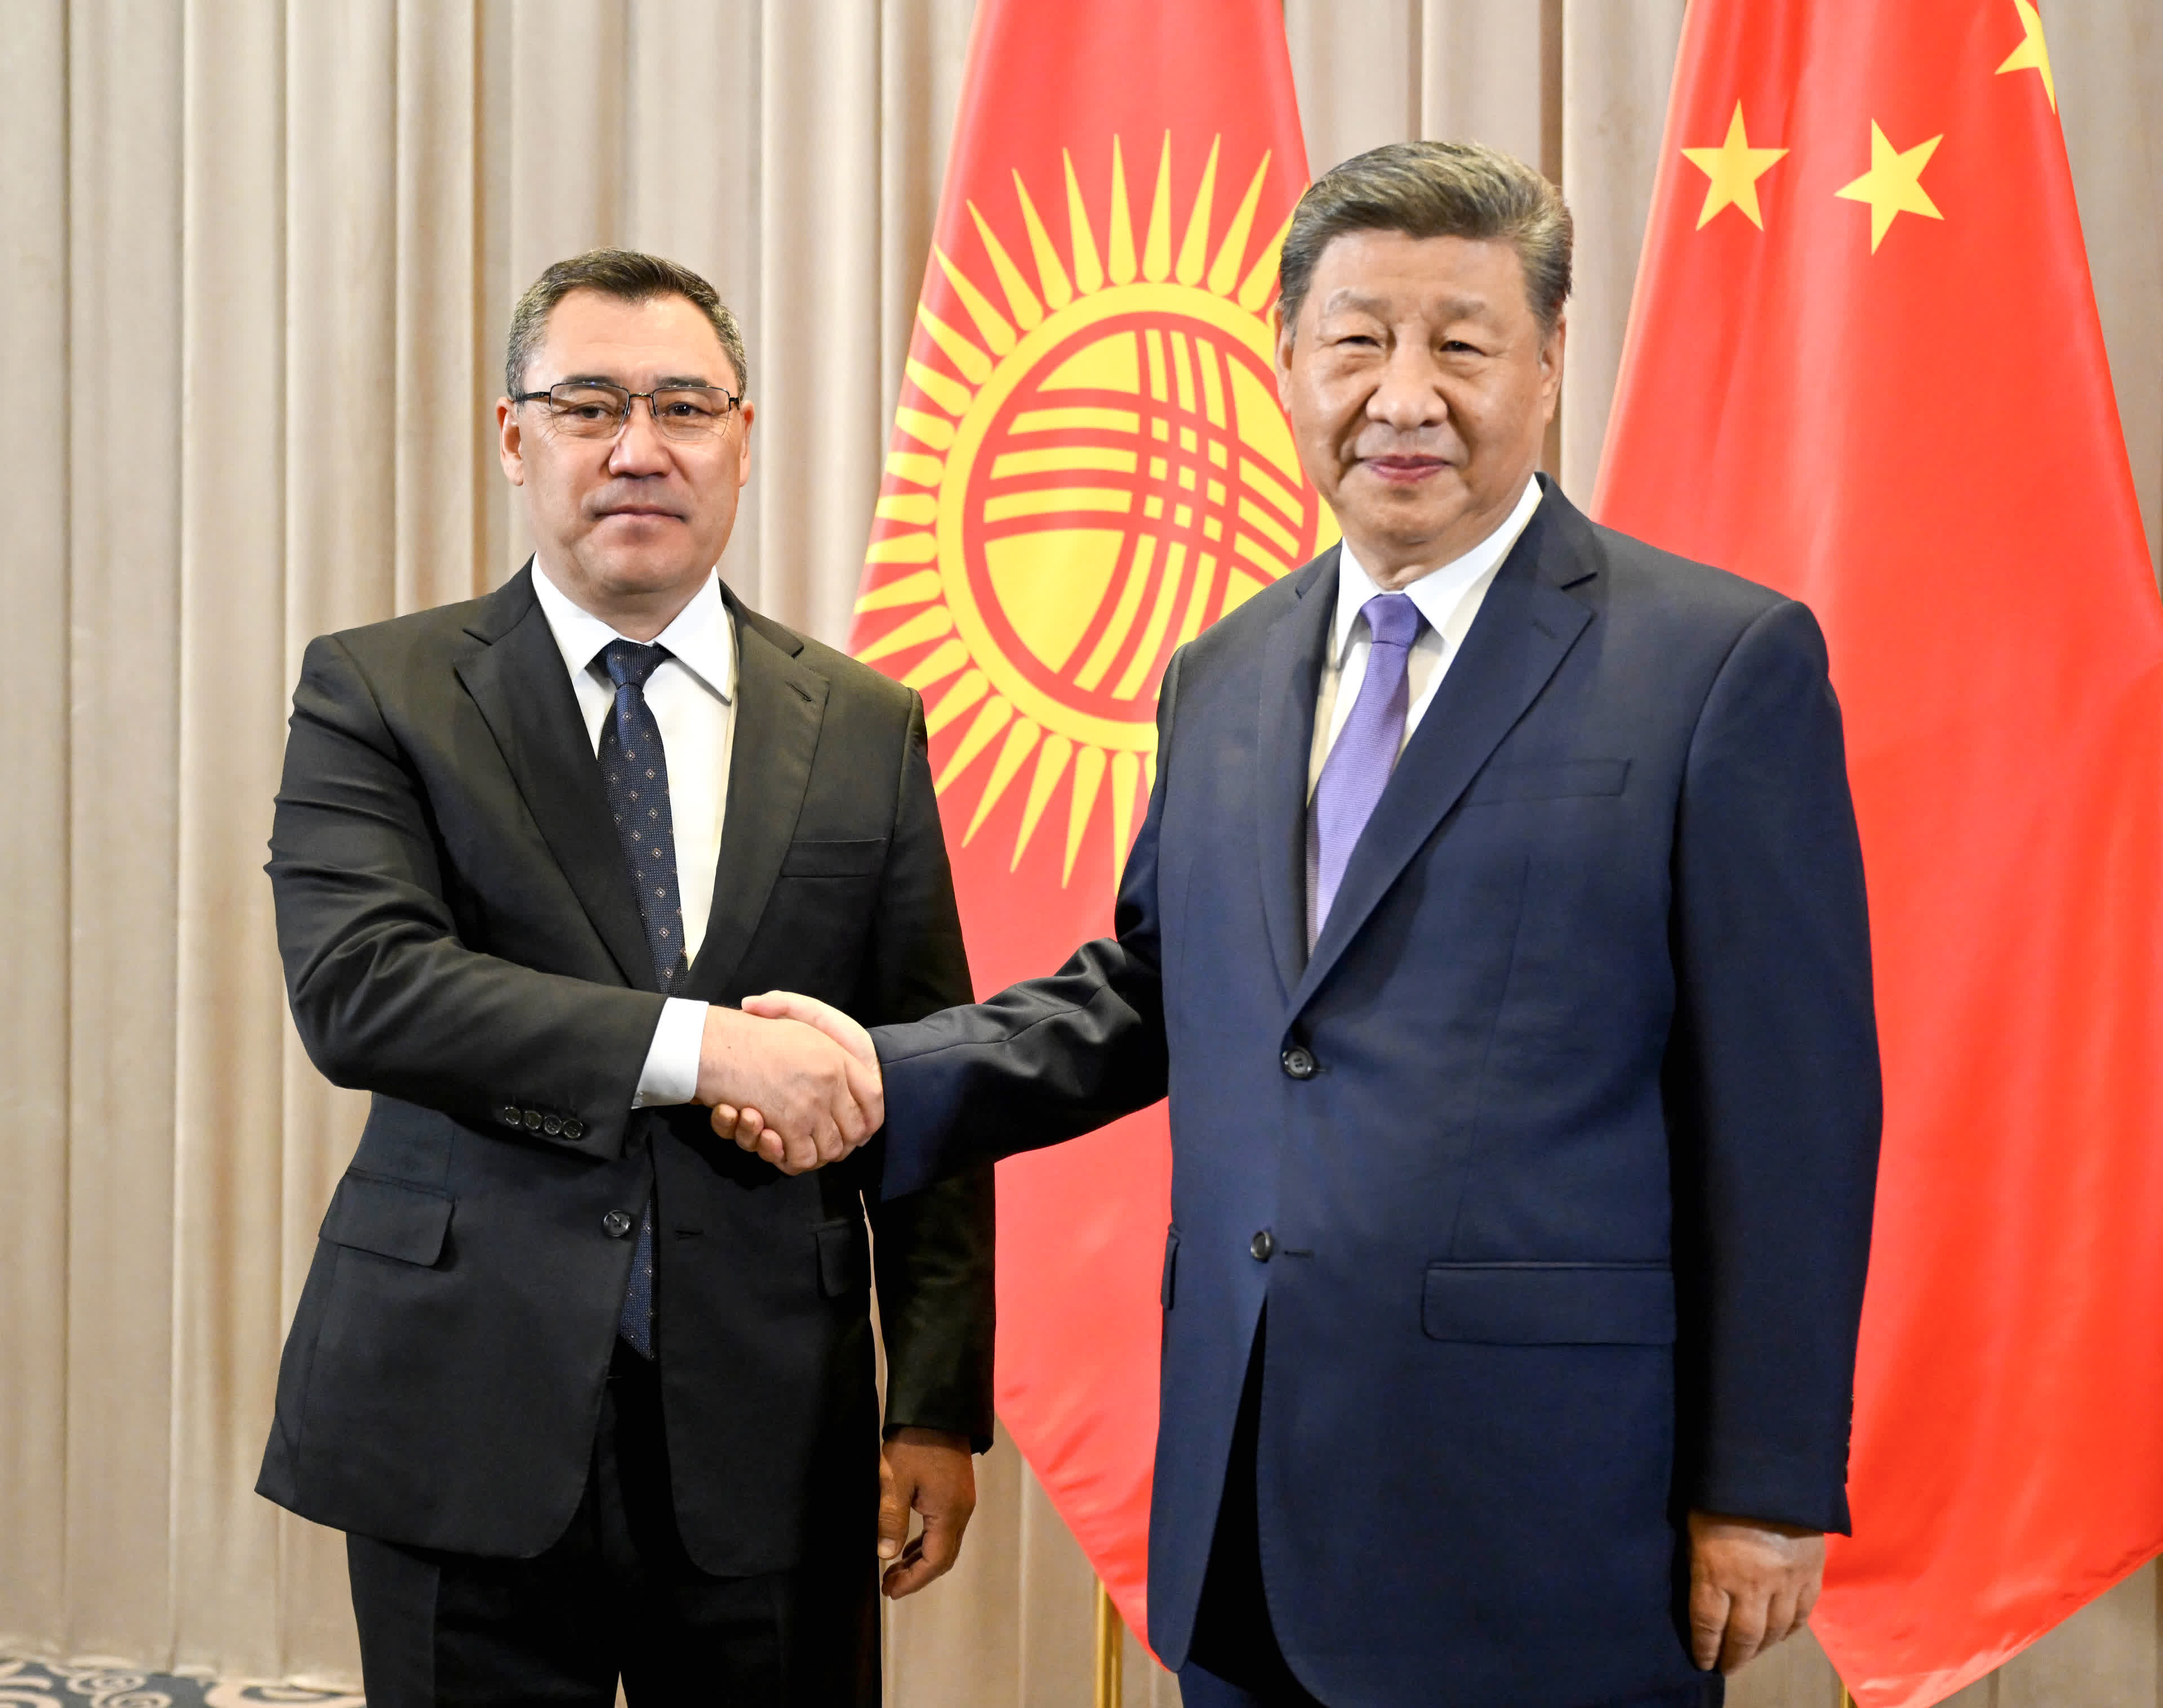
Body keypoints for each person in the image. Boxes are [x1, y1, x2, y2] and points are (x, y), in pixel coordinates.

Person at [727, 144, 1881, 1708]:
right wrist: (882, 1074)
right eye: (1357, 341)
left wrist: (1766, 1480)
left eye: (1461, 344)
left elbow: (1792, 1112)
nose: (1404, 396)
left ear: (1549, 363)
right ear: (1286, 362)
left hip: (1553, 1519)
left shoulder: (1717, 663)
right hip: (1247, 1507)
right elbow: (1154, 992)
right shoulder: (1223, 672)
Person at [257, 248, 994, 1707]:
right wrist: (707, 1049)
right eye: (588, 405)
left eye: (683, 407)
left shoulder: (865, 723)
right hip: (461, 1404)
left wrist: (935, 1402)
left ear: (743, 438)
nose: (638, 449)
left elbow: (923, 1074)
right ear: (513, 436)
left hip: (775, 1427)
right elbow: (364, 988)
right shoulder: (380, 689)